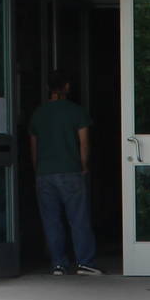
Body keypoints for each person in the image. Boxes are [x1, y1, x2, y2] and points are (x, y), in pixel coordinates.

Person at [29, 73, 100, 275]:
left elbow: (33, 148)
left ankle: (58, 263)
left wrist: (38, 170)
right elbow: (84, 143)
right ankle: (85, 262)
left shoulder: (38, 114)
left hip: (44, 172)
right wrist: (84, 165)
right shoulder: (77, 112)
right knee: (78, 218)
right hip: (71, 170)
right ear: (67, 86)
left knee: (51, 220)